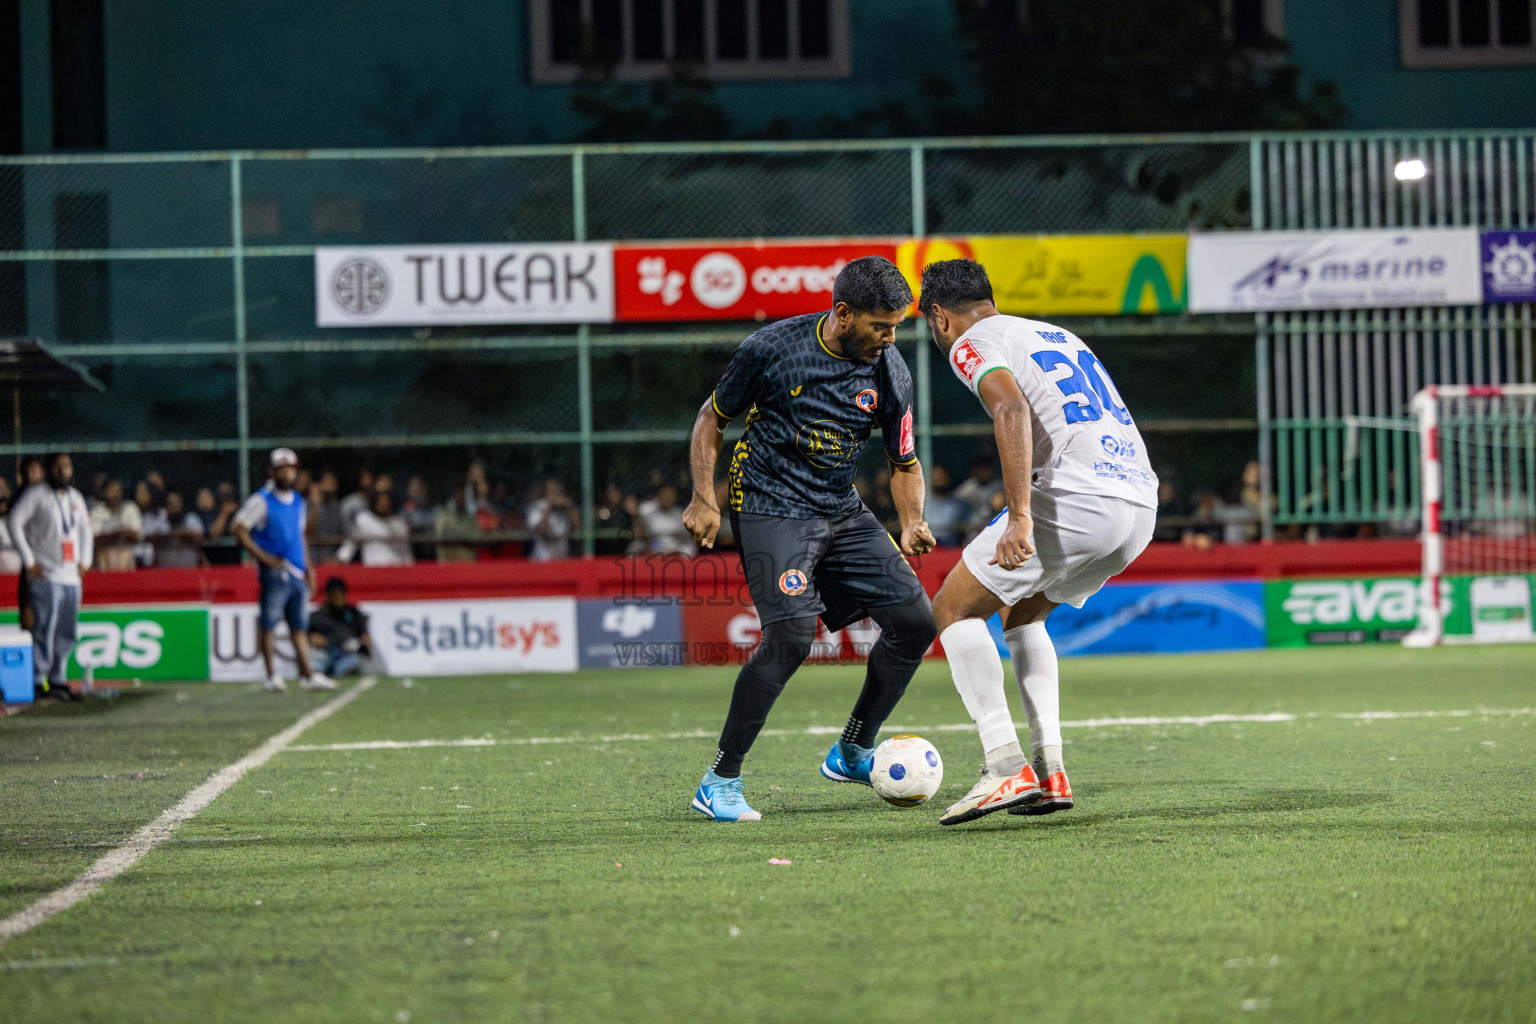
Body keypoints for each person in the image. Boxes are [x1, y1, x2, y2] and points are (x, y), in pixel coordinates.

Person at [680, 255, 939, 823]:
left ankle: (853, 749)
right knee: (793, 635)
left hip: (840, 508)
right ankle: (720, 780)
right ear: (843, 313)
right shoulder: (772, 348)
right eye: (881, 325)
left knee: (918, 623)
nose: (890, 337)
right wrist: (705, 498)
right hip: (770, 504)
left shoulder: (890, 369)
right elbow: (711, 417)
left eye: (898, 325)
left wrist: (912, 520)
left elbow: (904, 460)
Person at [918, 258, 1158, 826]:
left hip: (1080, 499)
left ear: (938, 317)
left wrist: (1020, 515)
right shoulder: (1053, 333)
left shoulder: (970, 340)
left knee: (953, 608)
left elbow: (1010, 406)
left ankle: (1003, 765)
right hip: (1139, 505)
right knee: (1024, 616)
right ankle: (1050, 771)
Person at [232, 448, 336, 693]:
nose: (288, 473)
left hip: (297, 571)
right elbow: (238, 528)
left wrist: (309, 568)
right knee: (269, 623)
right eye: (282, 468)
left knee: (299, 626)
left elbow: (301, 537)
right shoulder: (262, 500)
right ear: (272, 471)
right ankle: (271, 675)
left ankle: (307, 673)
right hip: (275, 571)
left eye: (291, 468)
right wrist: (264, 557)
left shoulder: (298, 501)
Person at [7, 453, 92, 701]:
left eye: (65, 466)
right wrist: (28, 560)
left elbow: (86, 530)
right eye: (57, 467)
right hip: (45, 574)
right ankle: (36, 680)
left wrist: (85, 560)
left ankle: (58, 678)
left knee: (67, 630)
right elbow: (14, 521)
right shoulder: (36, 494)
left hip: (71, 576)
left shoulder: (75, 497)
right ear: (49, 469)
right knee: (44, 628)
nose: (62, 471)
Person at [307, 577, 372, 678]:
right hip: (325, 654)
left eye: (340, 594)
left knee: (353, 662)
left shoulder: (354, 614)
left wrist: (357, 643)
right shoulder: (316, 616)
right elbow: (307, 637)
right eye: (334, 594)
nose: (338, 598)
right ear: (328, 595)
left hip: (347, 655)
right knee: (314, 663)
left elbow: (364, 637)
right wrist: (312, 638)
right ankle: (320, 673)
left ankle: (336, 672)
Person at [338, 490, 413, 566]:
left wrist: (409, 566)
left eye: (386, 503)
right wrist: (341, 558)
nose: (384, 505)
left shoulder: (399, 524)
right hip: (373, 569)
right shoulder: (365, 521)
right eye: (381, 503)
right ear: (375, 504)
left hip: (395, 568)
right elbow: (351, 543)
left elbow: (406, 550)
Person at [89, 478, 142, 571]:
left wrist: (121, 534)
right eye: (111, 491)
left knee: (125, 553)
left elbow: (137, 535)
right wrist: (117, 534)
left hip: (125, 556)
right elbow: (95, 538)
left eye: (118, 491)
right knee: (105, 553)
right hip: (104, 557)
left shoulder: (130, 508)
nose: (115, 494)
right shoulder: (97, 512)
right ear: (104, 492)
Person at [525, 478, 575, 560]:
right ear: (545, 492)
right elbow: (541, 530)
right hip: (542, 559)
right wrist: (549, 506)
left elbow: (577, 526)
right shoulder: (537, 506)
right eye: (553, 491)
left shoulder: (562, 509)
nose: (556, 495)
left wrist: (570, 507)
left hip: (561, 559)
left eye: (558, 491)